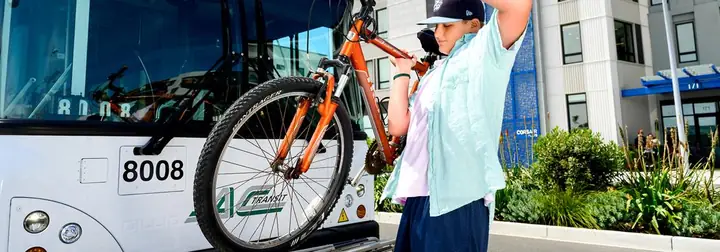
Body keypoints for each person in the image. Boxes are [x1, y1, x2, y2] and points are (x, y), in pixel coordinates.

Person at [379, 0, 532, 251]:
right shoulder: (434, 73)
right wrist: (401, 73)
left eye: (446, 26)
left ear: (473, 25)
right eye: (435, 26)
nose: (437, 34)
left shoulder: (485, 52)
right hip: (419, 199)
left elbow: (519, 6)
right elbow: (398, 126)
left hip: (458, 201)